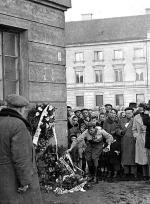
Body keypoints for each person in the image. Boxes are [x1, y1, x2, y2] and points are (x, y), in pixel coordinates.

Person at [0, 94, 43, 204]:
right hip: (13, 180)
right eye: (24, 109)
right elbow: (21, 158)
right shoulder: (18, 125)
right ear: (21, 109)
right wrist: (25, 182)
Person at [132, 103, 148, 179]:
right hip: (140, 138)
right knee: (142, 158)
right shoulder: (136, 117)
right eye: (140, 109)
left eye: (142, 109)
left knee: (148, 157)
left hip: (148, 137)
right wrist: (136, 135)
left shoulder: (148, 116)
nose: (141, 110)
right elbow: (134, 129)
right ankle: (144, 175)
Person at [121, 107, 137, 180]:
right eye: (126, 113)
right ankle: (126, 173)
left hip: (133, 140)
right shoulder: (121, 120)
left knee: (133, 156)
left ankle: (134, 173)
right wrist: (120, 132)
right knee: (125, 157)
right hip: (124, 141)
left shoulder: (135, 120)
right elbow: (117, 128)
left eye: (129, 113)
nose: (128, 114)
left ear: (132, 113)